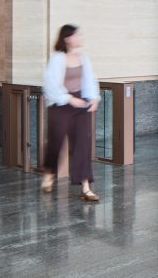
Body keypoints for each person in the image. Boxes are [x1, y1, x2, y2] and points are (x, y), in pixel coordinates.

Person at [41, 24, 100, 201]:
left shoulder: (83, 57)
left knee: (83, 144)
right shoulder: (57, 59)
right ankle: (49, 173)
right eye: (77, 35)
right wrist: (68, 98)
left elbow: (90, 79)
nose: (81, 37)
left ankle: (86, 186)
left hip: (81, 104)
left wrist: (94, 98)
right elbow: (50, 84)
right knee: (56, 143)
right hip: (61, 105)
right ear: (67, 38)